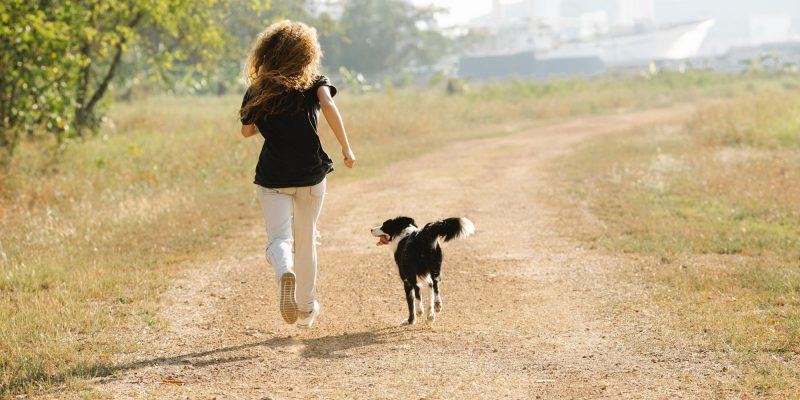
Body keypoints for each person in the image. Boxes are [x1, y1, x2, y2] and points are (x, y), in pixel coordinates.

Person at [239, 21, 355, 329]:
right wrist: (346, 148)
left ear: (267, 53)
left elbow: (246, 130)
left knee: (279, 239)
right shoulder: (314, 83)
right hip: (311, 176)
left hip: (273, 176)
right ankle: (306, 307)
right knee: (307, 240)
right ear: (306, 53)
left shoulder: (257, 89)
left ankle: (284, 270)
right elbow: (329, 105)